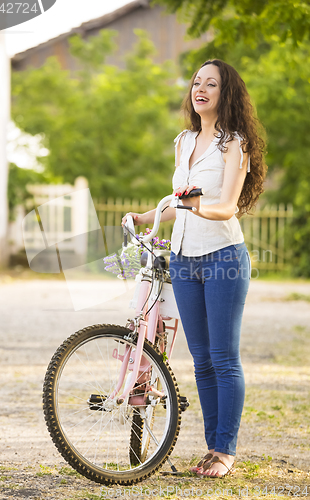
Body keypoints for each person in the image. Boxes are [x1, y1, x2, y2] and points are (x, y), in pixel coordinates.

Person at [122, 59, 267, 477]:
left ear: (227, 94)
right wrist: (146, 215)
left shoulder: (235, 143)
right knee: (201, 360)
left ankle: (226, 451)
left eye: (212, 84)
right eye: (197, 82)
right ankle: (211, 447)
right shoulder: (183, 141)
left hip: (223, 257)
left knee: (224, 357)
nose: (200, 89)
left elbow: (224, 208)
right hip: (183, 260)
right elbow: (174, 203)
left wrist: (188, 202)